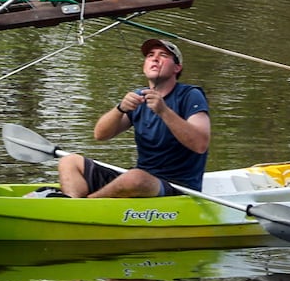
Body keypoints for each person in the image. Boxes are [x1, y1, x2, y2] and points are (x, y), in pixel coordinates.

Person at [57, 37, 210, 197]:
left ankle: (88, 205)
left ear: (177, 68)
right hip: (141, 180)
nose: (155, 58)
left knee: (135, 177)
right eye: (150, 55)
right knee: (68, 162)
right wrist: (120, 109)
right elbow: (100, 135)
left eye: (163, 55)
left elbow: (200, 144)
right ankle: (72, 204)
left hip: (178, 187)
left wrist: (164, 111)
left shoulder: (191, 95)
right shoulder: (139, 96)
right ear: (144, 66)